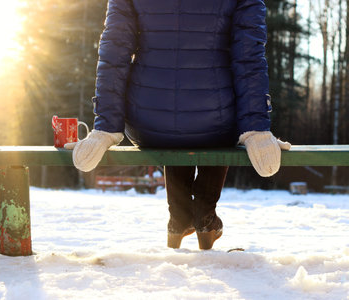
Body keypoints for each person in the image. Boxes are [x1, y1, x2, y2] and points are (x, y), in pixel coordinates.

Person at [65, 0, 290, 250]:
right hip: (219, 118)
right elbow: (249, 58)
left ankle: (180, 217)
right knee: (214, 120)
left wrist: (106, 125)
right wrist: (257, 127)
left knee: (172, 122)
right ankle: (205, 218)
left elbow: (114, 54)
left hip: (148, 120)